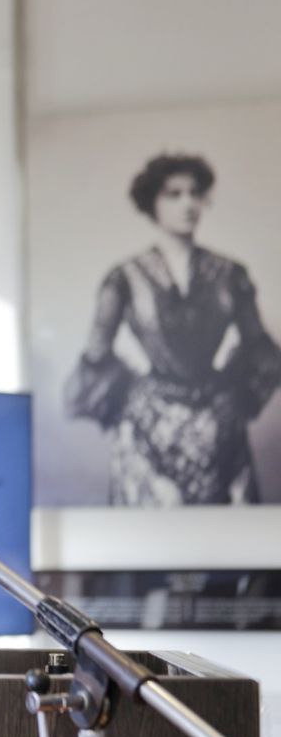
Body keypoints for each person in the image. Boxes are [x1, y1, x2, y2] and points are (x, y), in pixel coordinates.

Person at [64, 152, 281, 505]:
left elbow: (258, 346)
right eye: (174, 194)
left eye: (195, 193)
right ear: (152, 202)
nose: (188, 203)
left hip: (220, 429)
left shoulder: (230, 274)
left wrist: (229, 398)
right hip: (147, 430)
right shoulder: (125, 277)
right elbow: (96, 351)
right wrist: (136, 398)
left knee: (225, 545)